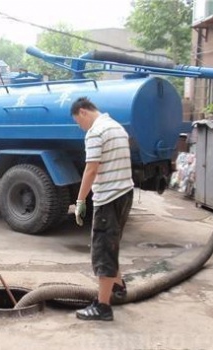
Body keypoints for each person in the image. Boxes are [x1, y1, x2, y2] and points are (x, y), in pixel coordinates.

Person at [71, 97, 134, 321]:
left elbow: (91, 169)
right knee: (111, 243)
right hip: (125, 193)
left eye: (78, 122)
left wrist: (80, 201)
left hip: (108, 198)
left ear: (82, 112)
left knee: (103, 251)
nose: (81, 127)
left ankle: (103, 307)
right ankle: (118, 286)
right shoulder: (117, 127)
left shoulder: (96, 132)